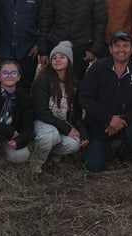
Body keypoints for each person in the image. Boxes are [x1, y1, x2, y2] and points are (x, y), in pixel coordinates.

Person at [78, 31, 132, 172]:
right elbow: (85, 98)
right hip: (100, 124)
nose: (121, 50)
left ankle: (123, 154)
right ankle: (102, 148)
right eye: (117, 46)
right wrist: (108, 119)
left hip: (126, 123)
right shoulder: (97, 68)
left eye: (125, 45)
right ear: (110, 49)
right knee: (94, 166)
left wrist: (122, 120)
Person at [38, 0, 108, 78]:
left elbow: (100, 22)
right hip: (56, 49)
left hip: (81, 50)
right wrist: (43, 51)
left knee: (77, 86)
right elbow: (45, 22)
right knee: (54, 86)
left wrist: (94, 50)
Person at [30, 42, 88, 174]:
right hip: (42, 123)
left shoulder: (75, 83)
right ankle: (37, 163)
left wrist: (83, 131)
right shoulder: (43, 80)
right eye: (54, 57)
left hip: (62, 122)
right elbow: (41, 111)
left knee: (74, 143)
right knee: (51, 135)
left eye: (62, 57)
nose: (57, 60)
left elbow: (76, 113)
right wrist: (66, 129)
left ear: (69, 60)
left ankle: (48, 151)